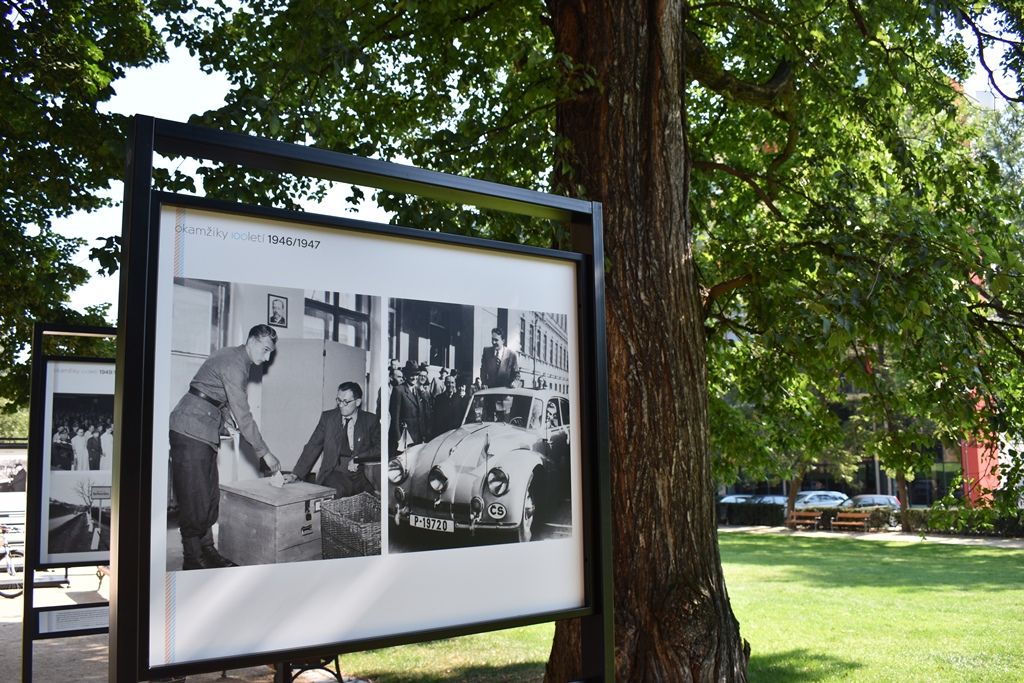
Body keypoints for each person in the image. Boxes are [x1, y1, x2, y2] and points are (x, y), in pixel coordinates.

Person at [168, 324, 282, 571]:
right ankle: (192, 558)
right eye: (264, 350)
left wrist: (225, 417)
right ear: (251, 340)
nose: (266, 357)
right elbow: (244, 414)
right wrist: (265, 453)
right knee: (193, 498)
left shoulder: (234, 357)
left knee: (208, 497)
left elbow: (216, 395)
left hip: (201, 430)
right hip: (190, 429)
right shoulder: (235, 364)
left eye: (270, 352)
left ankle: (208, 550)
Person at [285, 382, 379, 497]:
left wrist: (359, 459)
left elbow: (381, 449)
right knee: (335, 496)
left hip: (362, 474)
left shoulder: (370, 420)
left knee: (373, 502)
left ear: (358, 402)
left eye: (346, 402)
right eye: (338, 400)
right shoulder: (327, 418)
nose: (340, 405)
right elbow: (313, 446)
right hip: (335, 472)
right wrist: (295, 474)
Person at [389, 365, 423, 454]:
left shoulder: (417, 391)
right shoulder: (398, 390)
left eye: (416, 375)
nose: (414, 377)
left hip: (417, 438)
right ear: (406, 376)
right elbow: (395, 417)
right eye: (411, 375)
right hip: (405, 438)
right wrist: (398, 439)